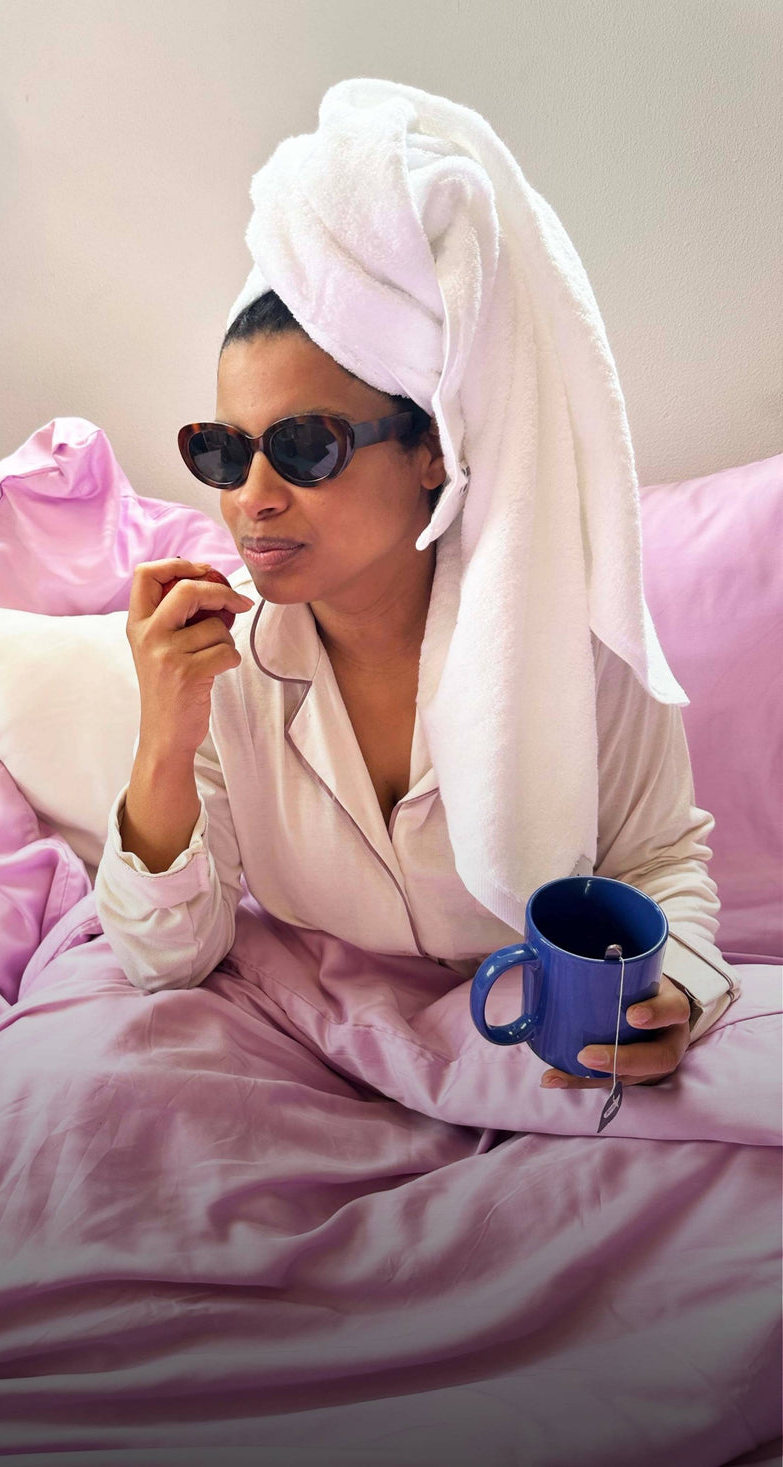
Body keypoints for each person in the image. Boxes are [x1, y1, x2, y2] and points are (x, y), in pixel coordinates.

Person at [93, 288, 739, 1096]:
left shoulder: (577, 641)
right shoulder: (223, 662)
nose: (251, 496)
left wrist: (674, 992)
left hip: (538, 1052)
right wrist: (164, 737)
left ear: (431, 446)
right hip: (301, 1046)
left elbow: (660, 859)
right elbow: (165, 958)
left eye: (305, 446)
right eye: (224, 451)